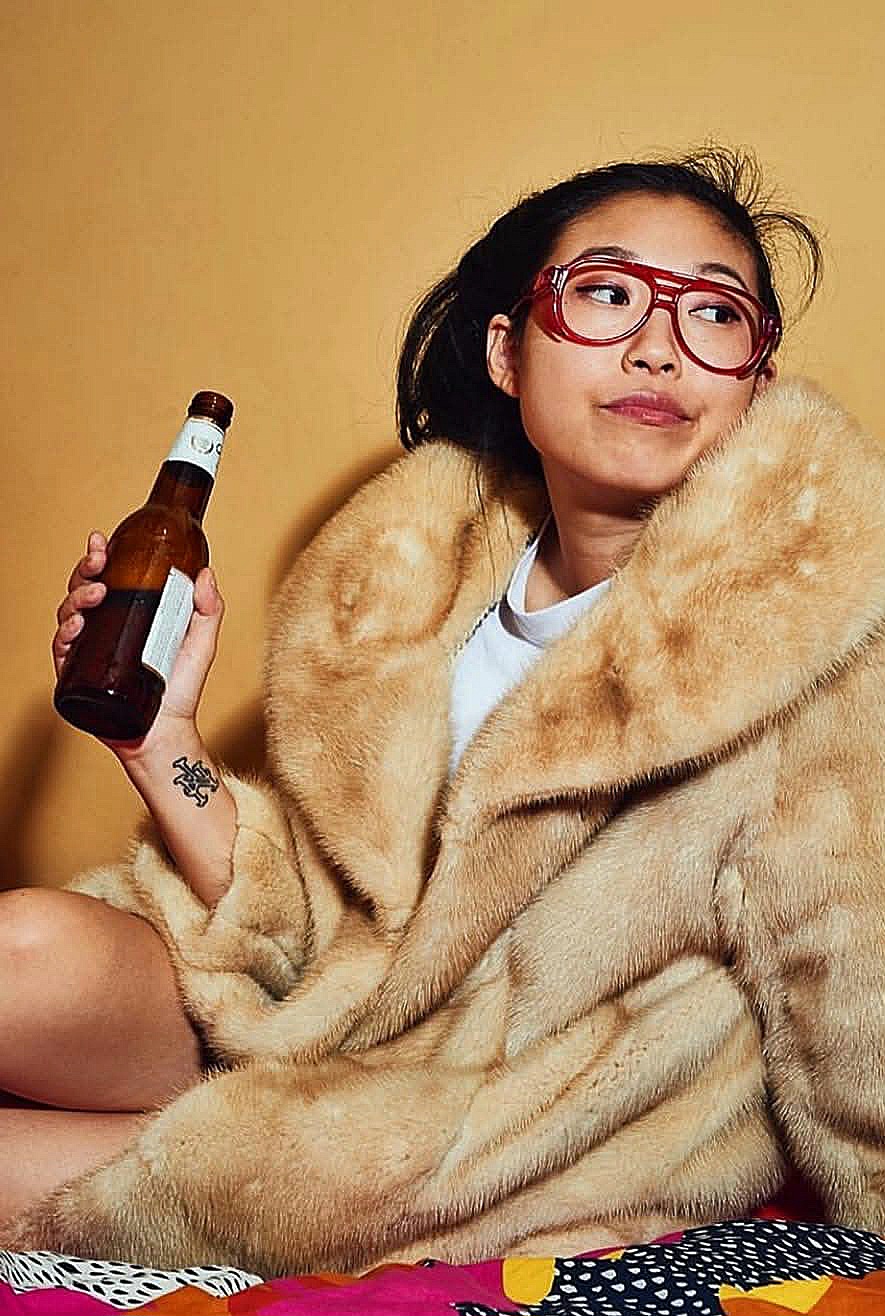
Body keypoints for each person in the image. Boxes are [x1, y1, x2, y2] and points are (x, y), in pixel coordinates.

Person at [4, 147, 885, 1278]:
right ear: (508, 352)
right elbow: (321, 920)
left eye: (716, 313)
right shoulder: (422, 588)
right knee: (19, 945)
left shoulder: (814, 646)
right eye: (606, 292)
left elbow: (855, 988)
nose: (659, 346)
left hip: (497, 1130)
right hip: (331, 1027)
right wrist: (157, 736)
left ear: (756, 383)